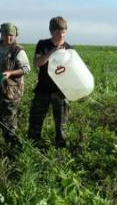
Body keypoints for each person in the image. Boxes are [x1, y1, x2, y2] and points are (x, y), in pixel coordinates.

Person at [28, 16, 71, 147]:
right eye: (58, 32)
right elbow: (37, 63)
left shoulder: (69, 49)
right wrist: (53, 51)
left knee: (61, 126)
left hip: (60, 92)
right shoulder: (43, 44)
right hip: (43, 90)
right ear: (51, 31)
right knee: (35, 122)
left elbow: (72, 71)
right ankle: (33, 147)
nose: (61, 35)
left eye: (63, 32)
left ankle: (60, 151)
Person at [0, 23, 30, 143]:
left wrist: (10, 73)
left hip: (10, 92)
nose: (9, 38)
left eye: (11, 35)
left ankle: (11, 147)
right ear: (1, 34)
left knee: (8, 122)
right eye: (6, 34)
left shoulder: (17, 51)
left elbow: (26, 69)